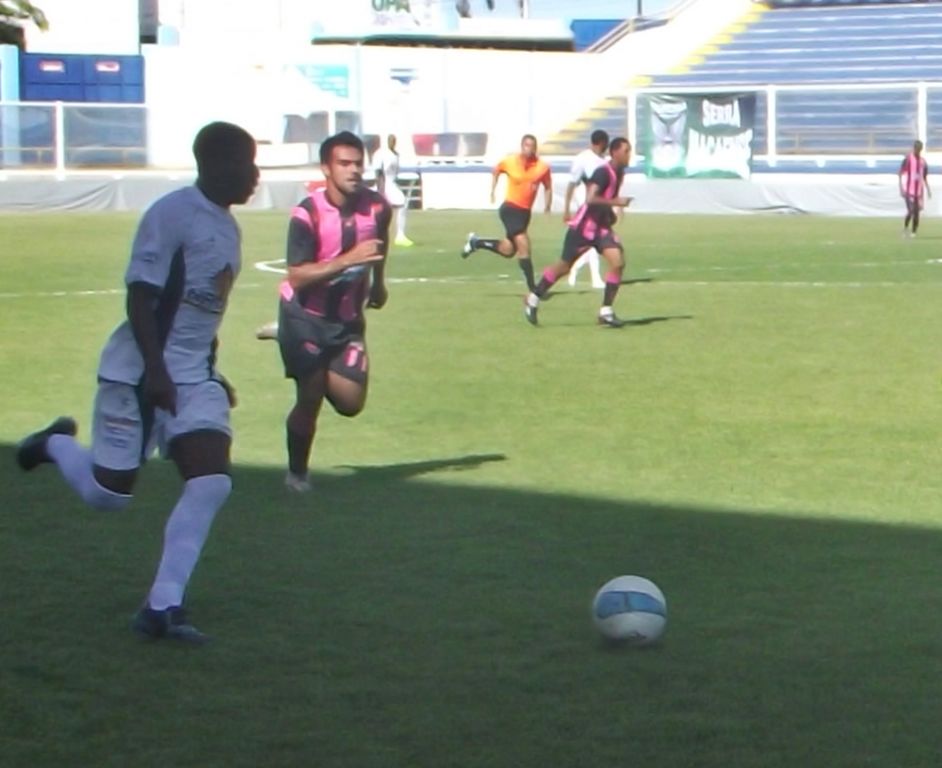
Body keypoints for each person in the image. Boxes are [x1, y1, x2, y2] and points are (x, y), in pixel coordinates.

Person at [15, 121, 259, 643]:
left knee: (211, 481)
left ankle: (162, 606)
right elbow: (141, 297)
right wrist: (155, 371)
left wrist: (212, 369)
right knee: (110, 495)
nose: (256, 174)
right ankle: (54, 443)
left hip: (194, 376)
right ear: (215, 164)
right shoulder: (172, 215)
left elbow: (202, 310)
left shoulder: (227, 227)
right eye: (247, 162)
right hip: (139, 372)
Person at [276, 130, 391, 492]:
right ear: (326, 168)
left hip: (346, 319)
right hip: (304, 315)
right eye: (344, 163)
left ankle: (303, 354)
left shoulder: (378, 207)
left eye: (358, 163)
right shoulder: (307, 213)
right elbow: (296, 276)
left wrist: (379, 282)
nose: (354, 170)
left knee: (350, 403)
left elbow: (380, 244)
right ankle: (297, 474)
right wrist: (348, 260)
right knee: (310, 397)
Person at [524, 137, 633, 327]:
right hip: (583, 228)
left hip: (600, 228)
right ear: (615, 153)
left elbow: (606, 197)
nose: (628, 155)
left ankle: (606, 311)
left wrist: (609, 215)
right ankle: (533, 297)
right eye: (626, 151)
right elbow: (591, 199)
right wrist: (616, 203)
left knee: (618, 261)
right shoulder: (602, 173)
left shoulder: (619, 172)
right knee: (564, 267)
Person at [461, 133, 552, 292]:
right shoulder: (510, 161)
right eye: (527, 146)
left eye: (533, 146)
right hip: (510, 209)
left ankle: (476, 243)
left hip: (524, 213)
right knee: (524, 243)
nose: (530, 149)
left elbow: (548, 186)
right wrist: (493, 190)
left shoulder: (542, 167)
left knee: (508, 250)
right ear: (522, 146)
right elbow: (496, 170)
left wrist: (547, 206)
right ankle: (534, 289)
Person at [564, 129, 609, 290]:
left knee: (591, 242)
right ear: (602, 143)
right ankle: (595, 278)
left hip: (599, 205)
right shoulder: (583, 159)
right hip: (585, 204)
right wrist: (567, 207)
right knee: (594, 240)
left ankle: (575, 267)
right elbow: (572, 183)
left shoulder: (605, 161)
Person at [372, 133, 414, 247]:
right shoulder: (380, 154)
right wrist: (381, 190)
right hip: (385, 183)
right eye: (390, 140)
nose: (392, 142)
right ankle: (397, 235)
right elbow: (378, 172)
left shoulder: (396, 154)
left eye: (394, 140)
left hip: (391, 183)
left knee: (400, 204)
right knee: (400, 203)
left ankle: (400, 236)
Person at [899, 139, 931, 238]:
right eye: (917, 149)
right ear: (914, 148)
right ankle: (905, 227)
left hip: (919, 192)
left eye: (920, 149)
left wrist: (928, 189)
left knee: (917, 212)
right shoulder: (908, 159)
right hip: (909, 191)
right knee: (911, 210)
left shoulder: (923, 162)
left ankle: (914, 232)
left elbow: (924, 177)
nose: (918, 151)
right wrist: (901, 188)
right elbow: (900, 173)